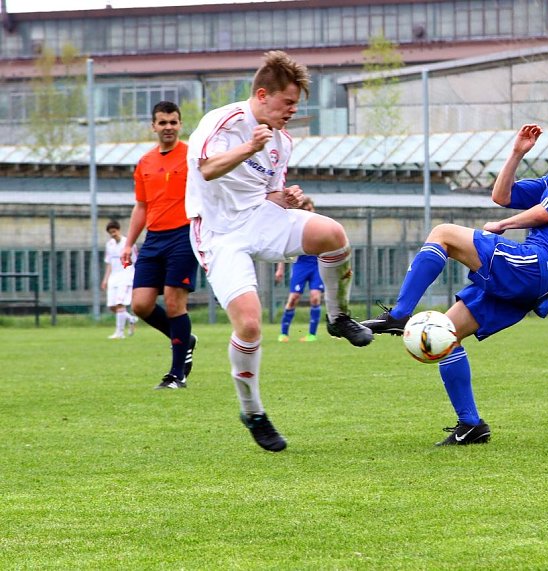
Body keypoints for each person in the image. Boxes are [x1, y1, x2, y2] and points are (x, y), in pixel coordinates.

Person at [363, 101, 548, 445]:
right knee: (446, 334)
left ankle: (400, 314)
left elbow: (545, 212)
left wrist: (503, 225)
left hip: (535, 264)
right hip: (534, 279)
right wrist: (516, 153)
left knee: (443, 233)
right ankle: (471, 425)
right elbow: (502, 195)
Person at [186, 50, 373, 453]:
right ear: (262, 95)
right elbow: (207, 169)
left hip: (259, 218)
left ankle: (338, 317)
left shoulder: (281, 141)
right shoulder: (224, 122)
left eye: (295, 104)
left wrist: (288, 199)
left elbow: (267, 194)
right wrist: (248, 148)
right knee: (250, 326)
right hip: (218, 233)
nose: (292, 111)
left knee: (332, 234)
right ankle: (252, 411)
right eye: (287, 102)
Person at [121, 101, 198, 390]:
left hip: (183, 235)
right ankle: (185, 339)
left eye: (173, 122)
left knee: (175, 302)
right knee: (141, 304)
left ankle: (177, 375)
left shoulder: (192, 157)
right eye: (163, 122)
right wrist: (128, 243)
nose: (168, 127)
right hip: (153, 239)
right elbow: (141, 206)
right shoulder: (145, 162)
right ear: (153, 126)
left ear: (180, 125)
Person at [274, 197, 324, 343]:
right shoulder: (295, 227)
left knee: (315, 297)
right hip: (301, 265)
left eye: (310, 209)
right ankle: (284, 333)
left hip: (316, 266)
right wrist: (280, 268)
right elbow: (284, 247)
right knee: (294, 298)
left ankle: (312, 335)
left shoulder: (321, 225)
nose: (309, 211)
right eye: (306, 209)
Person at [101, 219, 137, 339]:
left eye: (114, 231)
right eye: (110, 232)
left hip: (126, 276)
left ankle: (119, 333)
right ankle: (131, 319)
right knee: (112, 306)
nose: (113, 234)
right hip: (114, 277)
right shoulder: (109, 244)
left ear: (119, 230)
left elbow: (135, 261)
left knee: (120, 304)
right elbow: (109, 263)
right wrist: (105, 279)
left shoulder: (128, 243)